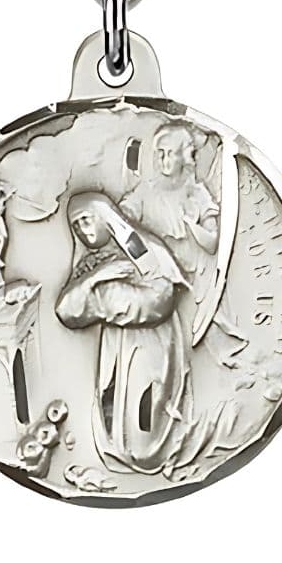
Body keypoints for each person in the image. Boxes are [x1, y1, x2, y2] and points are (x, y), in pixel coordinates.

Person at [55, 192, 189, 474]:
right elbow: (68, 311)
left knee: (145, 410)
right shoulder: (91, 264)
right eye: (76, 226)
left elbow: (161, 297)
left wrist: (114, 298)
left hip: (149, 343)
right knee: (114, 406)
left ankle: (151, 455)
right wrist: (97, 277)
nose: (83, 230)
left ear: (106, 218)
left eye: (86, 220)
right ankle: (121, 458)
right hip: (116, 345)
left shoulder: (138, 247)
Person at [121, 123, 247, 366]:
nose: (163, 160)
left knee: (195, 339)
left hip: (191, 281)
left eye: (170, 153)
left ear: (185, 157)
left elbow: (212, 243)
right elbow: (124, 217)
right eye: (160, 153)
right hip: (156, 280)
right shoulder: (146, 191)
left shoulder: (197, 194)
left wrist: (191, 224)